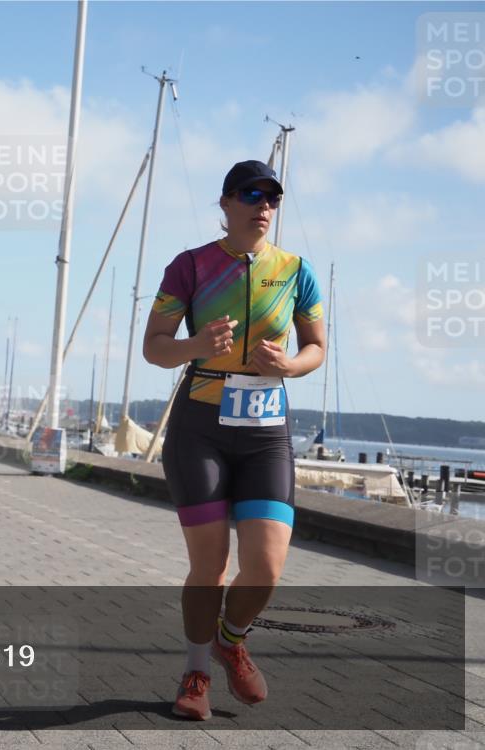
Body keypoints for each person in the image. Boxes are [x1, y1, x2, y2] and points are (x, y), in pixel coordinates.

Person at [143, 160, 325, 720]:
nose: (263, 205)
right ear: (225, 204)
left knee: (267, 567)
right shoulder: (190, 266)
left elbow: (316, 346)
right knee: (210, 566)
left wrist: (290, 366)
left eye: (272, 197)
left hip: (265, 434)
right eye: (251, 194)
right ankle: (196, 672)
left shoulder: (297, 270)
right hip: (200, 430)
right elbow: (154, 347)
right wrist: (196, 344)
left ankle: (230, 638)